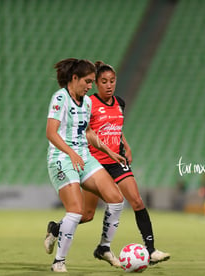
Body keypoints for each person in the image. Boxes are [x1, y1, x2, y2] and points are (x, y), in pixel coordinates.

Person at [82, 61, 169, 264]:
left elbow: (115, 128)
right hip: (95, 162)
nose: (109, 85)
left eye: (112, 81)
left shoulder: (120, 102)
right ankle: (57, 228)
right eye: (104, 81)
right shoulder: (88, 104)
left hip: (116, 160)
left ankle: (151, 250)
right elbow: (86, 131)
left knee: (137, 201)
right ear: (96, 83)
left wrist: (125, 144)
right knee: (86, 214)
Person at [44, 58, 125, 272]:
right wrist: (70, 153)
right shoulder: (60, 98)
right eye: (88, 82)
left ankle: (104, 248)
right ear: (74, 78)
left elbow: (87, 131)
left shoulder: (87, 102)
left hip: (83, 157)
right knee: (77, 211)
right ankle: (59, 261)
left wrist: (109, 151)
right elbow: (51, 133)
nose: (90, 87)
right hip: (61, 158)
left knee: (116, 199)